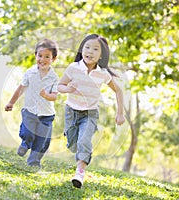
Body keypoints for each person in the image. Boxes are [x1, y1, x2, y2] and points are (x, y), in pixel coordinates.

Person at [57, 34, 125, 188]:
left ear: (101, 55)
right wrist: (67, 89)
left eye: (95, 49)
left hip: (90, 114)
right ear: (82, 49)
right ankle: (74, 144)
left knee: (84, 141)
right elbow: (60, 85)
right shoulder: (74, 68)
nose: (90, 51)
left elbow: (118, 91)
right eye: (87, 47)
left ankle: (79, 173)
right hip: (71, 112)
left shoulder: (103, 73)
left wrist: (120, 113)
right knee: (73, 144)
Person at [5, 38, 59, 169]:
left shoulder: (54, 77)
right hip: (29, 111)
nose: (42, 59)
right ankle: (25, 143)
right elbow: (21, 89)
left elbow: (54, 97)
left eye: (47, 56)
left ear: (53, 59)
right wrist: (11, 103)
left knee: (42, 142)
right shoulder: (30, 73)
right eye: (40, 56)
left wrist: (46, 95)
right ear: (35, 55)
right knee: (27, 133)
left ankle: (33, 162)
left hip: (46, 115)